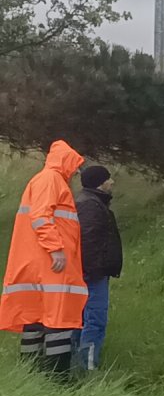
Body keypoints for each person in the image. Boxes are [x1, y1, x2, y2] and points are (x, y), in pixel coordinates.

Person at [0, 140, 87, 378]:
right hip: (51, 265)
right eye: (75, 165)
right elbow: (41, 216)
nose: (77, 171)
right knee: (59, 320)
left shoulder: (45, 180)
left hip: (39, 264)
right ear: (65, 161)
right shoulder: (51, 180)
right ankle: (57, 378)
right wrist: (55, 248)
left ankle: (31, 374)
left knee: (36, 319)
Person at [74, 165, 122, 371]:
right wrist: (92, 273)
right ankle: (88, 367)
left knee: (84, 319)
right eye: (108, 179)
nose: (112, 182)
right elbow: (88, 243)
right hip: (93, 275)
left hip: (90, 272)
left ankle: (77, 364)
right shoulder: (91, 206)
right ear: (100, 183)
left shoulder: (89, 202)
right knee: (94, 320)